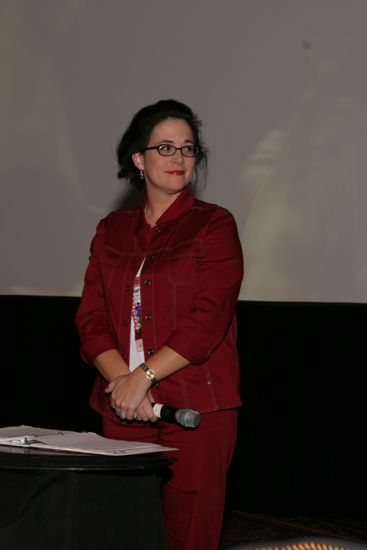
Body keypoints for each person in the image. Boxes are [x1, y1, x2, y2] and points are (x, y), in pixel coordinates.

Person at [75, 99, 244, 550]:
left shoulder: (214, 225)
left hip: (197, 409)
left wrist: (145, 376)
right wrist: (126, 385)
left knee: (189, 536)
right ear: (138, 159)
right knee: (124, 531)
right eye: (165, 147)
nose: (179, 158)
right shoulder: (110, 230)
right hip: (124, 408)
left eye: (188, 149)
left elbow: (207, 321)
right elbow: (90, 320)